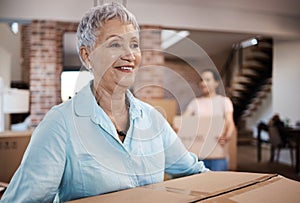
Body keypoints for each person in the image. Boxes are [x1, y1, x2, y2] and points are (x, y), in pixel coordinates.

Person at [0, 3, 208, 203]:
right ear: (87, 56)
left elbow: (195, 174)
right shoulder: (60, 124)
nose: (129, 55)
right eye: (115, 44)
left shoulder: (153, 119)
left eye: (134, 44)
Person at [183, 69, 235, 171]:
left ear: (216, 83)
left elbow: (230, 122)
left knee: (218, 184)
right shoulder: (195, 102)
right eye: (201, 80)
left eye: (207, 80)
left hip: (217, 153)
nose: (203, 83)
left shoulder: (224, 101)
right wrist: (178, 126)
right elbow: (183, 120)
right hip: (198, 154)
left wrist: (227, 136)